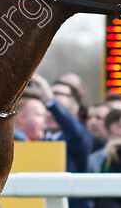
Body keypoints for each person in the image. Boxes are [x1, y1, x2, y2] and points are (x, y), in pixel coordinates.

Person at [32, 73, 93, 208]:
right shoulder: (34, 138)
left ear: (72, 114)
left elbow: (75, 133)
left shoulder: (80, 137)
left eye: (57, 110)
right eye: (47, 108)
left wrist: (52, 102)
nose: (51, 114)